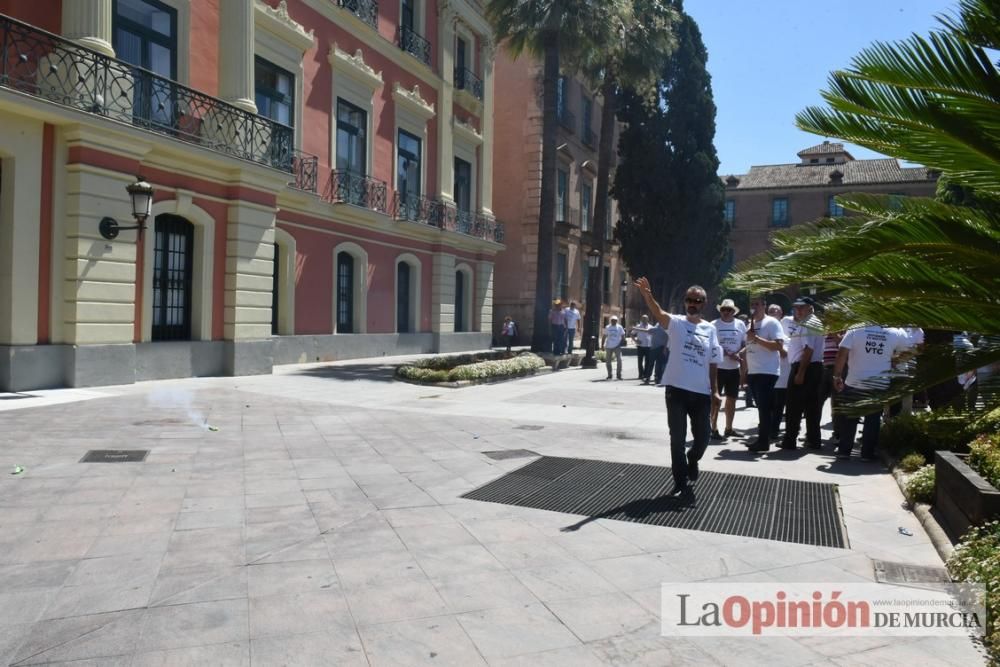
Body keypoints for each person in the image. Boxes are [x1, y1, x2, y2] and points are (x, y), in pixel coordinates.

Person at [634, 278, 721, 496]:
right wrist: (647, 295)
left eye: (697, 301)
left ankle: (693, 458)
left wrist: (716, 390)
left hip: (701, 393)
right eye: (689, 300)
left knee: (703, 438)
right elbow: (659, 312)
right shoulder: (677, 323)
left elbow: (713, 361)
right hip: (676, 391)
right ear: (685, 302)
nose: (692, 303)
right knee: (677, 438)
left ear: (704, 303)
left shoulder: (710, 330)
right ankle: (680, 480)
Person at [833, 325, 913, 460]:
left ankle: (844, 451)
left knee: (850, 417)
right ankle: (867, 453)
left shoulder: (856, 329)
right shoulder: (895, 332)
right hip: (879, 383)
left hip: (855, 381)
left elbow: (842, 352)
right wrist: (894, 361)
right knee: (873, 420)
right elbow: (910, 351)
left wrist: (837, 376)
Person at [781, 297, 825, 450]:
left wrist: (800, 373)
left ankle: (790, 439)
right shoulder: (810, 322)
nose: (798, 310)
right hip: (811, 367)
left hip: (805, 367)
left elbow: (808, 350)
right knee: (811, 406)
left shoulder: (809, 323)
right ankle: (813, 439)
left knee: (794, 406)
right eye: (796, 307)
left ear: (810, 308)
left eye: (802, 307)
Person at [744, 297, 785, 453]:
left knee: (764, 409)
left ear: (764, 306)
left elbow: (778, 345)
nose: (754, 307)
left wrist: (756, 338)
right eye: (752, 304)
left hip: (767, 372)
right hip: (753, 372)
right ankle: (762, 439)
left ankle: (763, 441)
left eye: (757, 304)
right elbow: (749, 349)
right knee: (761, 408)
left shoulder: (772, 323)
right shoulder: (750, 324)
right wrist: (745, 371)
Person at [711, 299, 747, 439]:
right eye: (723, 310)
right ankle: (713, 428)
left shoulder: (740, 324)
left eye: (729, 310)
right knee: (715, 399)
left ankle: (729, 428)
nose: (726, 312)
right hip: (718, 367)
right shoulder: (713, 325)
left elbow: (745, 344)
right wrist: (726, 353)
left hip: (734, 368)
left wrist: (738, 353)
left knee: (732, 399)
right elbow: (711, 345)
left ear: (733, 312)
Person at [769, 304, 791, 440]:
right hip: (767, 376)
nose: (773, 313)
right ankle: (768, 429)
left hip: (782, 379)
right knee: (769, 407)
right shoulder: (762, 335)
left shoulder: (786, 338)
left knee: (779, 407)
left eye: (776, 311)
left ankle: (776, 431)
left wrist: (779, 347)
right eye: (770, 311)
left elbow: (786, 354)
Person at [631, 314, 655, 384]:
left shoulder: (651, 327)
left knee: (647, 361)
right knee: (640, 361)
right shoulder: (638, 327)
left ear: (648, 319)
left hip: (648, 346)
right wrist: (635, 340)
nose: (644, 320)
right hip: (640, 346)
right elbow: (632, 334)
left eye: (645, 319)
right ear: (641, 319)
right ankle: (640, 374)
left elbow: (654, 335)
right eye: (643, 319)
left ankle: (645, 374)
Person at [602, 316, 626, 380]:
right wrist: (602, 345)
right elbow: (604, 336)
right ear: (610, 320)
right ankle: (609, 374)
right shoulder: (607, 327)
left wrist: (623, 341)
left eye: (615, 320)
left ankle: (619, 375)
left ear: (617, 321)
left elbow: (623, 335)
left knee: (619, 360)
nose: (614, 321)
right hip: (609, 346)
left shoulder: (619, 327)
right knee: (608, 361)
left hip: (617, 345)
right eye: (612, 320)